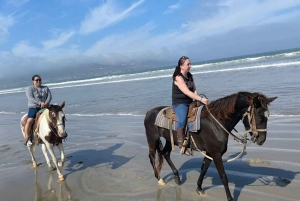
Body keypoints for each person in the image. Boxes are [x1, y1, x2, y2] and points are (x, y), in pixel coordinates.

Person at [172, 56, 209, 156]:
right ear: (181, 66)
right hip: (180, 103)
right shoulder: (178, 77)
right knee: (182, 120)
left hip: (190, 101)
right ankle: (181, 143)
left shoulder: (190, 76)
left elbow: (194, 90)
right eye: (188, 64)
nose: (190, 66)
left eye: (190, 64)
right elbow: (187, 92)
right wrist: (200, 99)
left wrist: (197, 99)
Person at [24, 75, 52, 146]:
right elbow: (30, 98)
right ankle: (27, 137)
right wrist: (40, 103)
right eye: (36, 80)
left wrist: (45, 103)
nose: (38, 81)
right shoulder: (30, 88)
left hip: (45, 107)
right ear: (33, 81)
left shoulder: (46, 88)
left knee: (55, 116)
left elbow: (49, 96)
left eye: (39, 80)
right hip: (34, 107)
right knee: (30, 120)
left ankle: (56, 132)